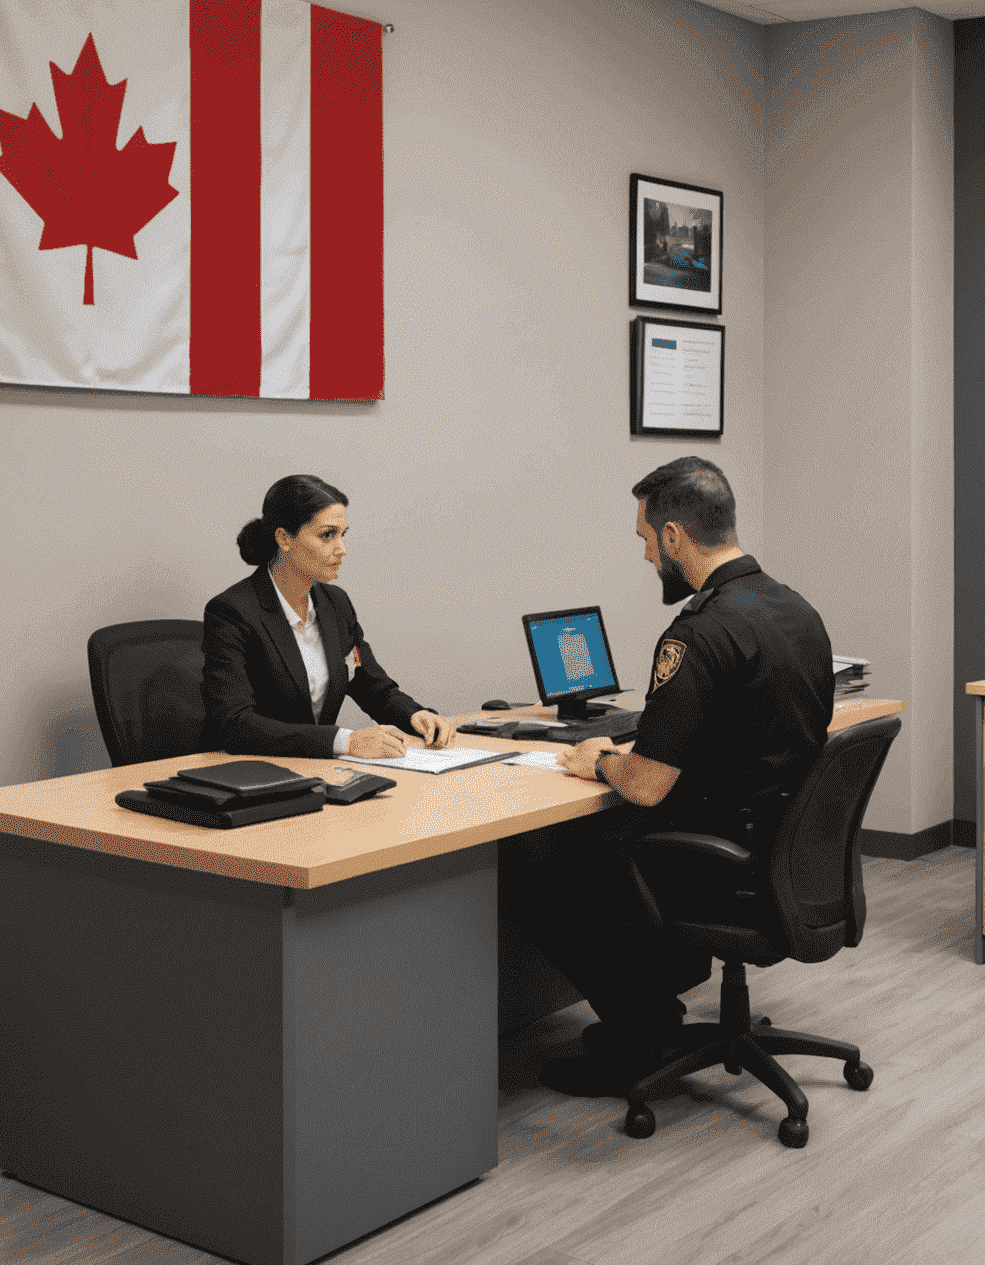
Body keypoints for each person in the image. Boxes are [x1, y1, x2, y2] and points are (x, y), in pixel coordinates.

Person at [522, 456, 835, 1097]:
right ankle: (654, 1011)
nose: (645, 558)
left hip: (723, 860)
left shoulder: (700, 632)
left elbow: (645, 785)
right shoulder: (795, 610)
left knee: (552, 873)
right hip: (780, 849)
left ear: (673, 536)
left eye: (645, 540)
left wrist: (599, 759)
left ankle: (639, 1036)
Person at [201, 474, 460, 760]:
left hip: (318, 773)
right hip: (253, 774)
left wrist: (415, 715)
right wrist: (345, 741)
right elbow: (236, 725)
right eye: (327, 534)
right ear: (284, 538)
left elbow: (371, 685)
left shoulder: (335, 604)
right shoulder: (232, 612)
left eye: (343, 534)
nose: (342, 549)